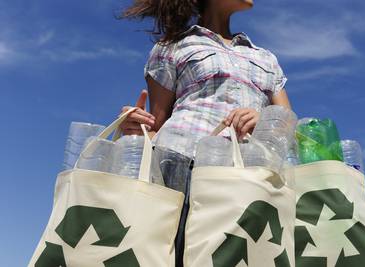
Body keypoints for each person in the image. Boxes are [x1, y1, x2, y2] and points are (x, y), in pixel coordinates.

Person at [119, 0, 292, 266]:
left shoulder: (265, 57)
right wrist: (134, 126)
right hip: (179, 165)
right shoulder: (173, 46)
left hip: (247, 173)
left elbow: (288, 124)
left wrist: (264, 119)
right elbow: (156, 126)